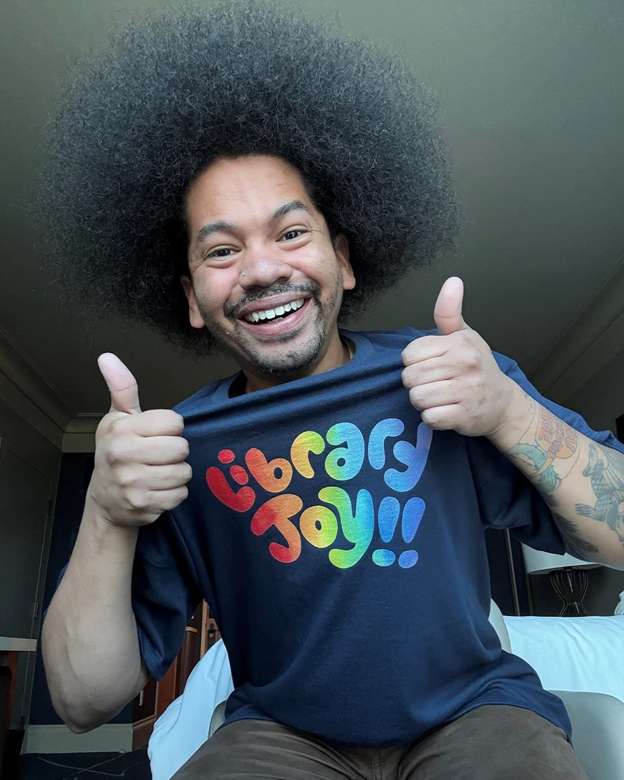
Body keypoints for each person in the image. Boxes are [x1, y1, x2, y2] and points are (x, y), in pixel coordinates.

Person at [39, 4, 624, 778]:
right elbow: (82, 704)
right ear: (189, 297)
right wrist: (106, 513)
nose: (261, 269)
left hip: (477, 714)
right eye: (221, 249)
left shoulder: (447, 374)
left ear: (342, 259)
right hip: (281, 734)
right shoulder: (178, 450)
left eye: (290, 233)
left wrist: (508, 412)